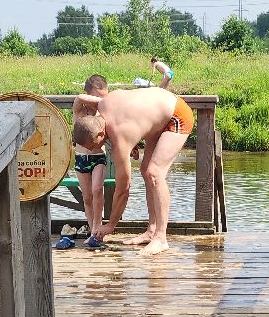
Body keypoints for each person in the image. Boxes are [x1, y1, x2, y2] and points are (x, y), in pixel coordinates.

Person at [71, 84, 196, 255]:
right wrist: (134, 140)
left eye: (94, 145)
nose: (95, 149)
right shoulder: (103, 105)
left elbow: (123, 189)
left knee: (154, 173)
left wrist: (111, 225)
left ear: (101, 134)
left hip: (177, 115)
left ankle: (161, 238)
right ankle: (151, 231)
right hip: (158, 114)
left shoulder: (120, 135)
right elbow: (133, 115)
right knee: (146, 171)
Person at [61, 75, 112, 250]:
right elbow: (79, 98)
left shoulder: (102, 114)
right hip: (81, 158)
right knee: (87, 197)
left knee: (97, 190)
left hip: (98, 157)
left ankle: (98, 227)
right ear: (89, 94)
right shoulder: (79, 111)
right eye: (97, 97)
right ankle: (92, 230)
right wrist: (102, 100)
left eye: (104, 97)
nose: (100, 102)